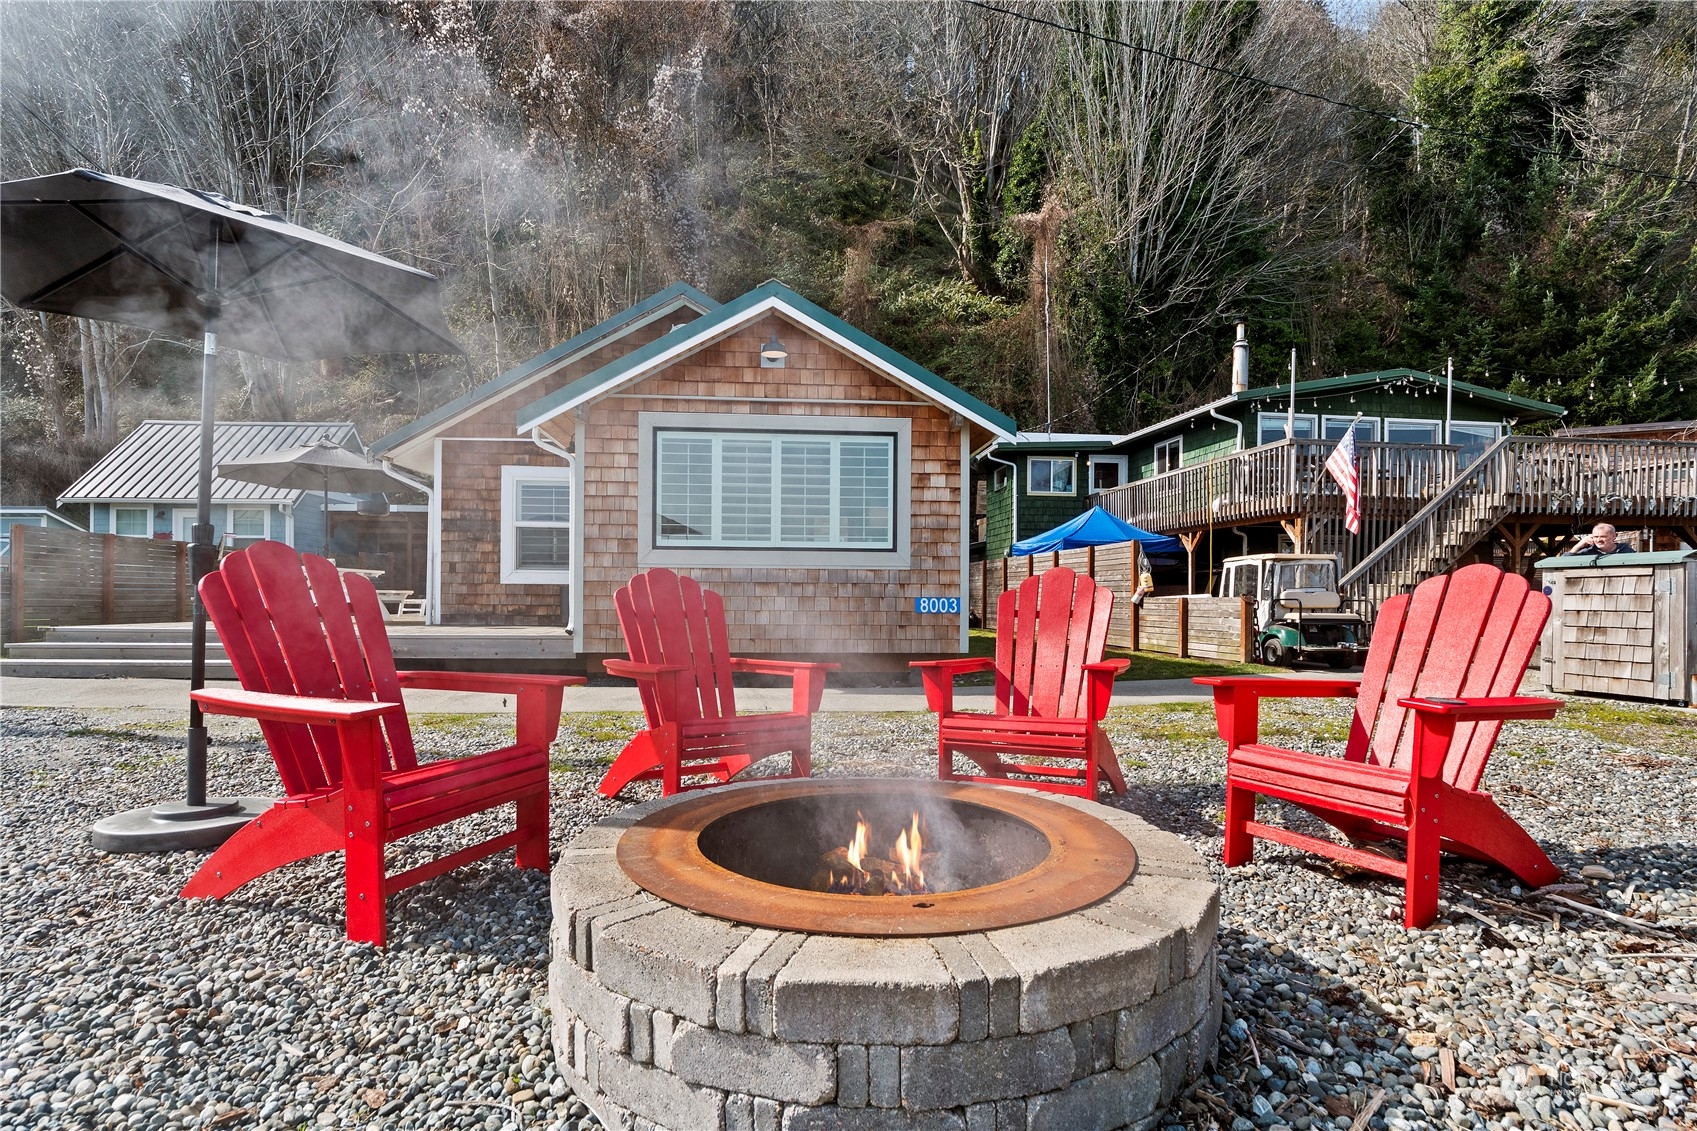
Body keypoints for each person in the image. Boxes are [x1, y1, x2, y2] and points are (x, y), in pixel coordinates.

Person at [1569, 522, 1634, 557]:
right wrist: (1577, 546)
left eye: (1603, 536)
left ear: (1613, 536)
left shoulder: (1626, 551)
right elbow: (1564, 563)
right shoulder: (1588, 552)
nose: (1598, 540)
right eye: (1596, 537)